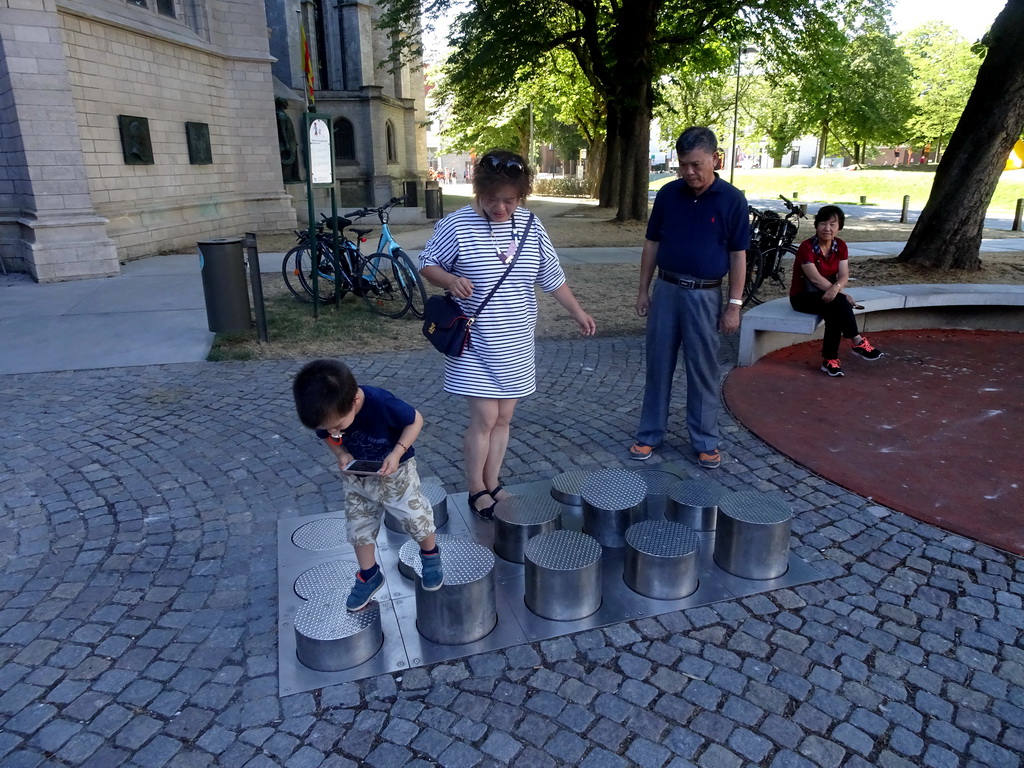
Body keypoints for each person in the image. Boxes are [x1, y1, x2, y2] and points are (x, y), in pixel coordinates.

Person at [419, 149, 596, 518]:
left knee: (503, 420)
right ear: (478, 192)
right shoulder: (457, 225)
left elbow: (552, 277)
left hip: (516, 343)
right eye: (491, 199)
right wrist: (450, 279)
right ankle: (475, 489)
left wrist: (578, 312)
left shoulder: (531, 226)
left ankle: (494, 482)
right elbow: (428, 263)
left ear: (521, 196)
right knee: (484, 419)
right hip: (475, 343)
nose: (500, 208)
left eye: (509, 200)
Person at [630, 127, 749, 469]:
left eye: (696, 164)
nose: (689, 172)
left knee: (702, 369)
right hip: (666, 291)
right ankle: (649, 434)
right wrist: (643, 290)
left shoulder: (732, 200)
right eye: (683, 165)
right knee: (658, 364)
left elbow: (738, 254)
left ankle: (705, 440)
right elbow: (652, 243)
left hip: (705, 295)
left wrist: (734, 305)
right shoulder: (668, 195)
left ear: (715, 159)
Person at [292, 359, 443, 610]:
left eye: (338, 426)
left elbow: (415, 420)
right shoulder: (327, 412)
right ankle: (369, 574)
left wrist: (397, 453)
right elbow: (326, 436)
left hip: (397, 474)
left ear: (354, 402)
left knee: (416, 518)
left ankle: (430, 555)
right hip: (358, 477)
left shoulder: (381, 402)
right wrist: (340, 454)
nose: (335, 433)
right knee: (357, 527)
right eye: (328, 429)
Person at [789, 205, 883, 377]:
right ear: (816, 225)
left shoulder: (840, 246)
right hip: (803, 296)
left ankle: (830, 360)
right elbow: (815, 278)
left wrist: (838, 288)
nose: (827, 228)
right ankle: (856, 341)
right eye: (823, 223)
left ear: (839, 227)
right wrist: (840, 294)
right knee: (839, 303)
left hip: (828, 296)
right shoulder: (806, 247)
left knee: (835, 312)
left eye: (833, 224)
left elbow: (844, 274)